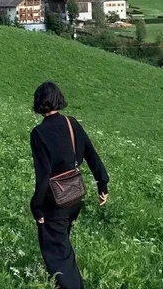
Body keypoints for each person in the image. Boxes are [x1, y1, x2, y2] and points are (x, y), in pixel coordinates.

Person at [30, 81, 109, 289]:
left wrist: (36, 207)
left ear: (39, 103)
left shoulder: (39, 133)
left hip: (55, 200)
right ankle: (59, 281)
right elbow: (91, 155)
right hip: (74, 195)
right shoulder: (71, 123)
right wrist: (103, 183)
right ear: (59, 99)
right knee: (61, 245)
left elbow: (44, 174)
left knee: (57, 253)